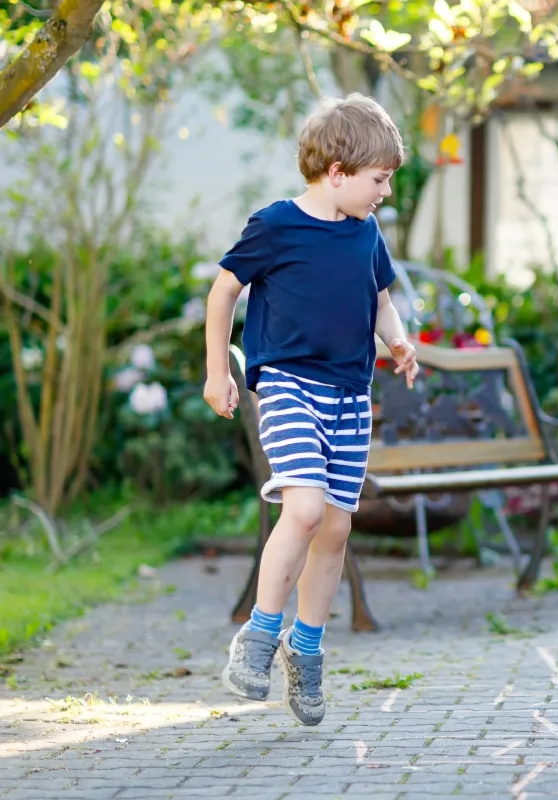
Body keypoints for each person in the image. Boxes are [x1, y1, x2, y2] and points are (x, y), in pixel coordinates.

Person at [202, 93, 419, 727]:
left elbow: (381, 302)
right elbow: (222, 294)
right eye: (379, 180)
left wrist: (399, 341)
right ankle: (260, 638)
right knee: (301, 508)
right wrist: (219, 371)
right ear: (338, 172)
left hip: (351, 396)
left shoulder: (366, 231)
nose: (384, 192)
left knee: (335, 528)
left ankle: (307, 649)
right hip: (289, 386)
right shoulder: (275, 225)